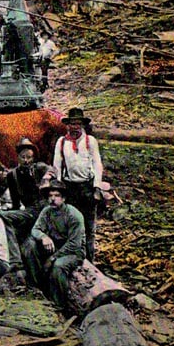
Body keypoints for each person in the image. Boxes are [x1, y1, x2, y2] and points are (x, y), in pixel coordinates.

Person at [21, 180, 86, 312]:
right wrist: (43, 237)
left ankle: (60, 303)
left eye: (56, 196)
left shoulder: (74, 215)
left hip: (73, 252)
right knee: (29, 245)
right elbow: (35, 230)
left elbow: (74, 244)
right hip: (54, 246)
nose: (52, 199)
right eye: (50, 196)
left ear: (63, 198)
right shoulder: (47, 211)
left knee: (58, 266)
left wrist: (53, 258)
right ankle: (36, 288)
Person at [52, 107, 104, 263]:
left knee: (89, 227)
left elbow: (97, 164)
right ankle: (73, 258)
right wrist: (59, 187)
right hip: (70, 188)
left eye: (77, 124)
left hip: (87, 187)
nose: (74, 127)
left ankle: (90, 259)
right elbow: (57, 165)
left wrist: (97, 187)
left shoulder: (90, 141)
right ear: (67, 125)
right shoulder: (62, 142)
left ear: (82, 125)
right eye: (72, 124)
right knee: (71, 224)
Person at [0, 138, 55, 264]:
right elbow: (15, 202)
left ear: (33, 158)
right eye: (23, 157)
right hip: (29, 211)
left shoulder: (39, 168)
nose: (26, 160)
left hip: (45, 210)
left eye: (29, 157)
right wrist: (13, 214)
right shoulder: (13, 175)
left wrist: (46, 178)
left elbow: (53, 169)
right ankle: (15, 259)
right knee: (2, 217)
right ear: (17, 157)